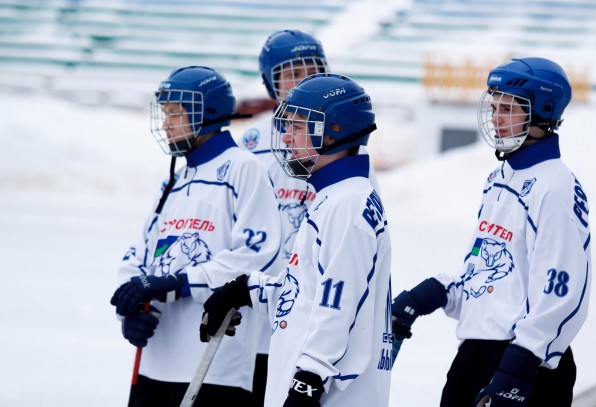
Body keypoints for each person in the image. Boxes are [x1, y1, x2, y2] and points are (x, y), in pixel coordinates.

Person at [391, 57, 592, 407]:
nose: (496, 118)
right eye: (494, 106)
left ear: (542, 111)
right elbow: (488, 268)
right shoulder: (500, 178)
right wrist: (432, 293)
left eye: (508, 108)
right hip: (476, 354)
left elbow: (562, 292)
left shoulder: (554, 187)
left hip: (526, 365)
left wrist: (517, 370)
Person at [200, 73, 393, 407]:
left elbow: (339, 305)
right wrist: (246, 289)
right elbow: (309, 294)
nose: (286, 137)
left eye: (298, 127)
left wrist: (309, 379)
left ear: (335, 130)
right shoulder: (334, 197)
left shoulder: (347, 206)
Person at [109, 65, 282, 406]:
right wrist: (129, 310)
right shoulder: (176, 178)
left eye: (174, 113)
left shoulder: (243, 168)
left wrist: (179, 282)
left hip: (213, 359)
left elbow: (257, 254)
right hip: (157, 357)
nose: (164, 123)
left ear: (208, 112)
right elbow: (141, 254)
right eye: (164, 113)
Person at [239, 28, 381, 406]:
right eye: (291, 73)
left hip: (316, 347)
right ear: (272, 81)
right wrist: (246, 286)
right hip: (279, 318)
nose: (302, 80)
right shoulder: (253, 147)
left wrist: (309, 377)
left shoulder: (346, 193)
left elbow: (341, 289)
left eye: (311, 69)